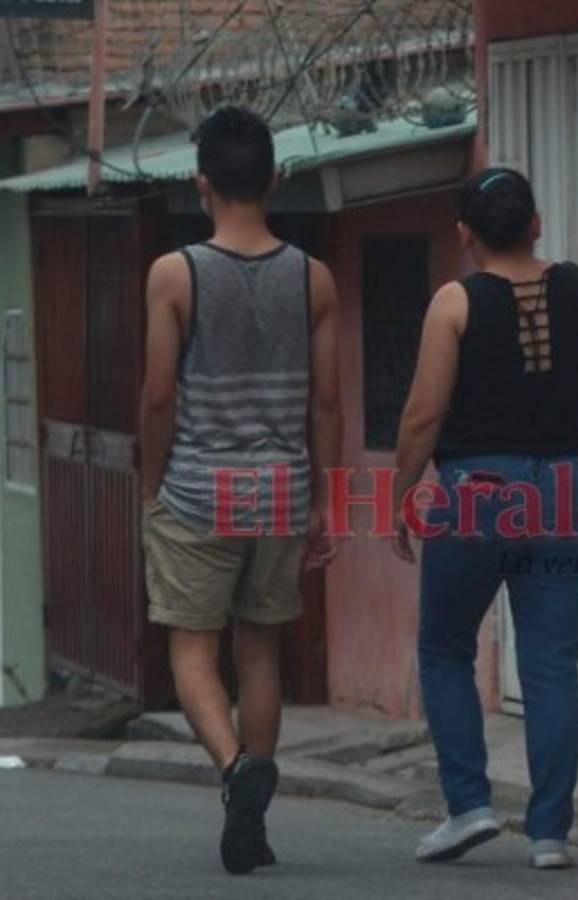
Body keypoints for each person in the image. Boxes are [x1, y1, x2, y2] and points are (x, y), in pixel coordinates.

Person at [139, 105, 343, 875]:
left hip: (197, 490)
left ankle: (235, 770)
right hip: (281, 491)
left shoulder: (175, 273)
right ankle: (251, 825)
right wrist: (325, 498)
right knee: (260, 652)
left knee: (193, 650)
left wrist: (151, 485)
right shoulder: (312, 278)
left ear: (200, 184)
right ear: (276, 179)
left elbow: (159, 394)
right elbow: (326, 403)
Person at [390, 167, 578, 870]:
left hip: (478, 487)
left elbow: (423, 414)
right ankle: (549, 834)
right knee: (550, 663)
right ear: (536, 223)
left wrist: (400, 494)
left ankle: (468, 807)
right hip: (568, 487)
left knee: (446, 648)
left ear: (463, 235)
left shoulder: (453, 303)